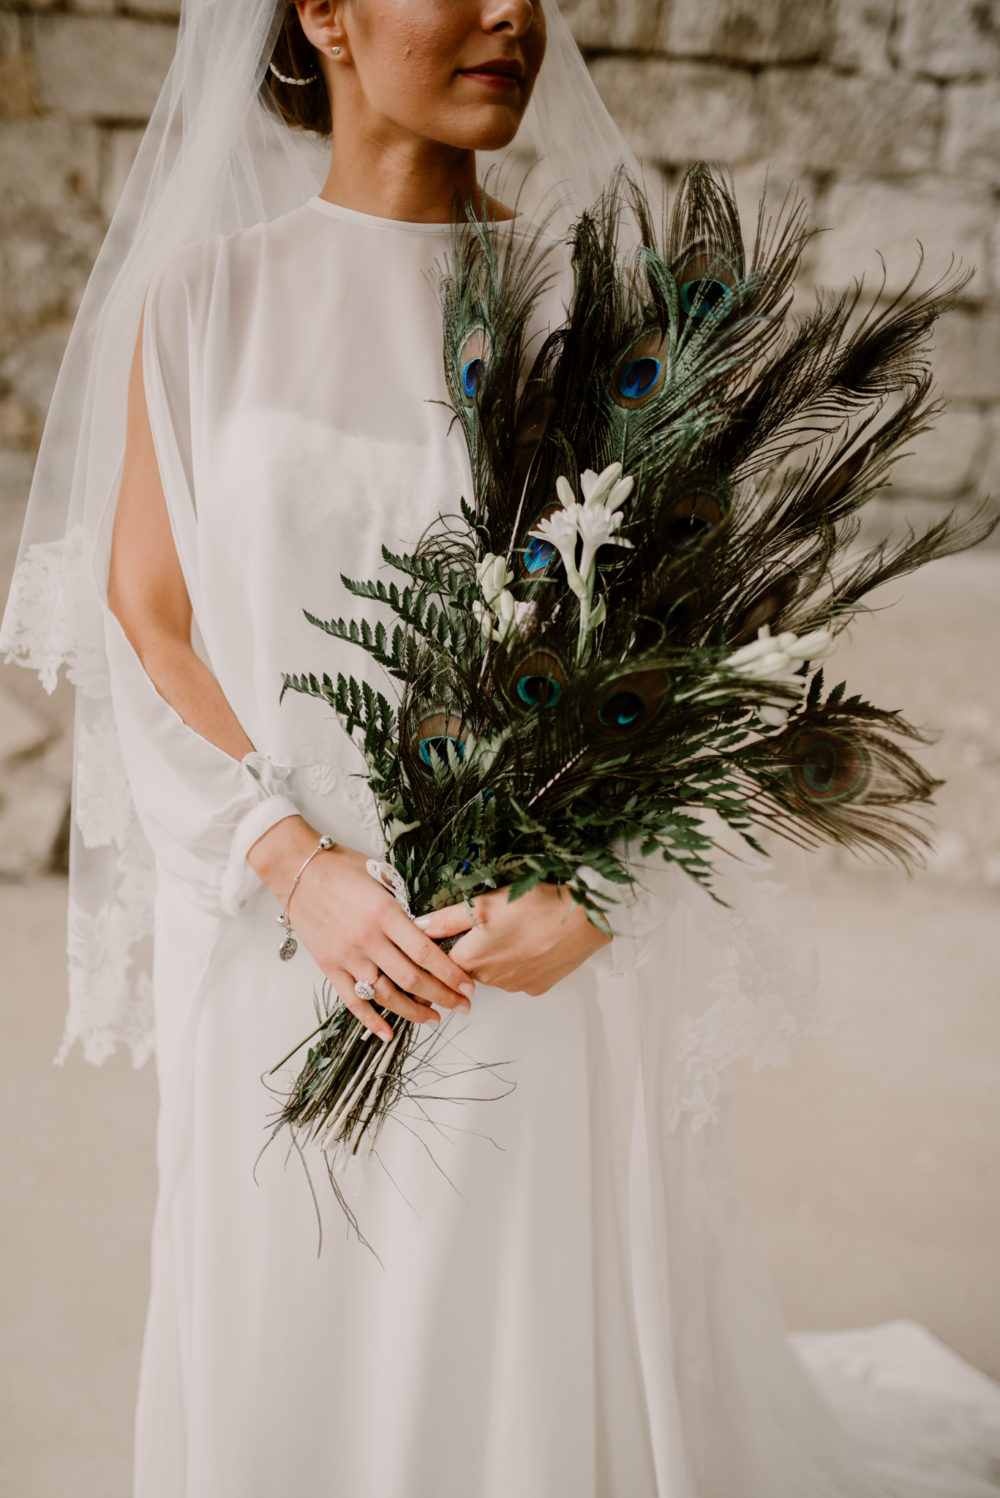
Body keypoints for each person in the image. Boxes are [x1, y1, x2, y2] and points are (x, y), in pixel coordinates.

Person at [3, 3, 999, 1495]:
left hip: (528, 951)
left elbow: (708, 659)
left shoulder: (595, 314)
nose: (513, 12)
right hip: (287, 943)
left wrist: (596, 897)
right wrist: (291, 862)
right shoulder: (203, 302)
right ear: (324, 13)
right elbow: (152, 623)